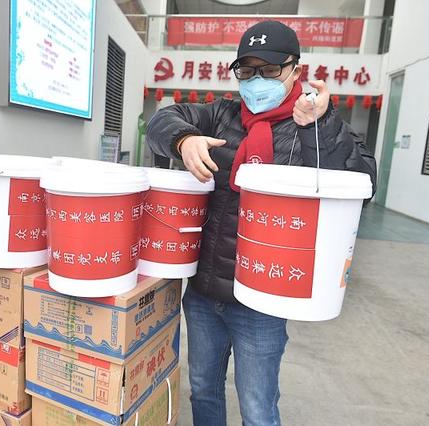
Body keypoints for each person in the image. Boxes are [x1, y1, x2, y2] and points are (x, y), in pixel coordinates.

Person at [146, 21, 377, 426]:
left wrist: (320, 125)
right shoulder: (221, 115)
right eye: (247, 71)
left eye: (269, 70)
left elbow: (362, 181)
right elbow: (162, 121)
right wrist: (184, 139)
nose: (257, 81)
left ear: (295, 70)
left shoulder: (315, 124)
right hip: (204, 291)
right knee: (202, 388)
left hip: (263, 302)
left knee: (257, 407)